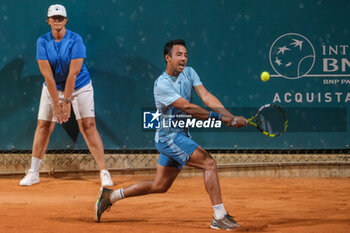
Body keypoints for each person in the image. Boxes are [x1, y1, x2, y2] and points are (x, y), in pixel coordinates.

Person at [95, 39, 247, 230]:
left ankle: (110, 196)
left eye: (185, 55)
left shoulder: (190, 73)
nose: (183, 58)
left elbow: (206, 96)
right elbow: (187, 107)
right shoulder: (162, 85)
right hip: (170, 138)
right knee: (209, 164)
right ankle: (219, 216)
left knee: (160, 185)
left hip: (179, 136)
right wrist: (220, 118)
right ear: (168, 58)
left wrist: (230, 116)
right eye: (179, 54)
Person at [19, 4, 113, 187]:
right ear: (48, 21)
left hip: (80, 86)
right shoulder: (42, 42)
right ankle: (34, 172)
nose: (57, 21)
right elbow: (47, 75)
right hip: (52, 87)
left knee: (88, 125)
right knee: (43, 125)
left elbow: (73, 73)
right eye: (54, 18)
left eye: (60, 18)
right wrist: (56, 102)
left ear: (66, 20)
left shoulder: (75, 40)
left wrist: (67, 101)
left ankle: (104, 172)